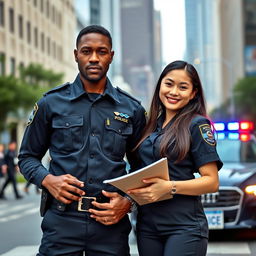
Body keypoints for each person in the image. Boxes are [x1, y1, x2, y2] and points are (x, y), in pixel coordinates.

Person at [18, 25, 146, 256]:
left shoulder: (132, 109)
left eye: (102, 51)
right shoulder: (50, 104)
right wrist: (48, 180)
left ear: (111, 56)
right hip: (61, 222)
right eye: (87, 51)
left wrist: (128, 201)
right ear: (76, 55)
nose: (94, 58)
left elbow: (144, 168)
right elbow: (27, 157)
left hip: (111, 224)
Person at [127, 60, 223, 256]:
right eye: (169, 84)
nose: (174, 92)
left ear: (193, 93)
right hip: (147, 226)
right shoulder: (150, 126)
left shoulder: (197, 125)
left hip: (184, 227)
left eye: (183, 87)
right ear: (160, 85)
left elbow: (211, 182)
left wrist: (169, 186)